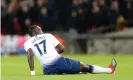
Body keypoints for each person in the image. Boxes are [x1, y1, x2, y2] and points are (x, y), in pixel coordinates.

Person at [24, 25, 117, 75]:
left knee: (72, 70)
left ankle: (72, 71)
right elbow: (62, 48)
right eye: (40, 30)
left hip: (47, 70)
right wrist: (52, 53)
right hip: (59, 62)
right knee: (85, 66)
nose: (42, 31)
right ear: (36, 31)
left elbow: (30, 54)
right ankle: (110, 70)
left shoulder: (28, 42)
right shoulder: (48, 35)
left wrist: (32, 72)